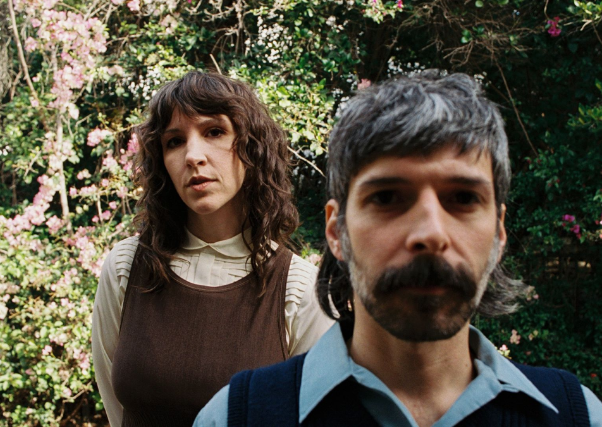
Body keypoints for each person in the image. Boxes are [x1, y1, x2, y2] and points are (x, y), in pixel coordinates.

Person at [194, 71, 602, 426]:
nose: (430, 233)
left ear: (498, 231)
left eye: (463, 198)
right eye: (387, 198)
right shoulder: (233, 418)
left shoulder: (580, 416)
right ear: (336, 231)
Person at [91, 71, 333, 427]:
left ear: (251, 148)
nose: (193, 156)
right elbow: (116, 406)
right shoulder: (126, 267)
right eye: (175, 141)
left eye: (214, 132)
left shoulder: (299, 291)